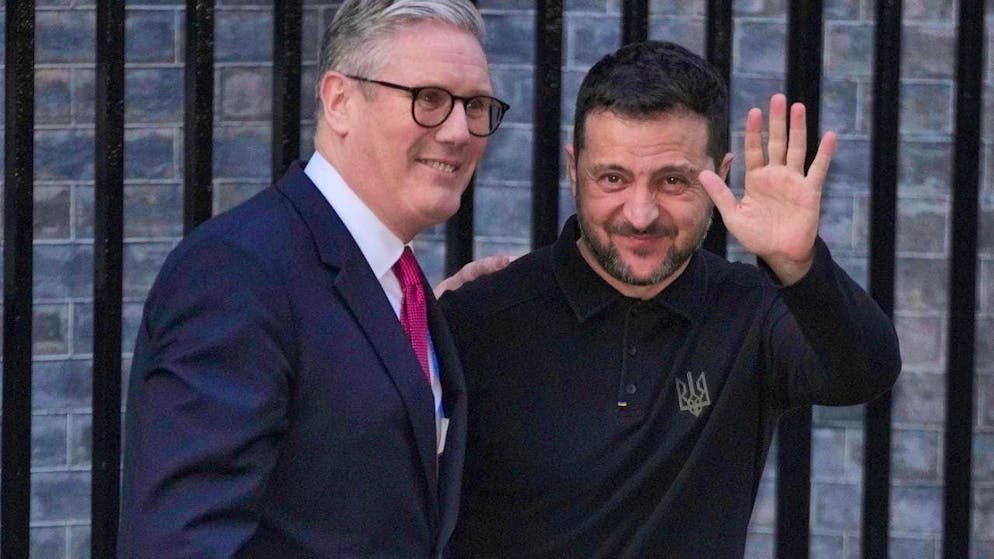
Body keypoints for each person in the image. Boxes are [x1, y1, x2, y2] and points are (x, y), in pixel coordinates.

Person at [438, 41, 901, 558]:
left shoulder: (752, 312)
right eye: (613, 178)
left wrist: (799, 265)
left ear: (720, 178)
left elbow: (866, 371)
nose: (640, 213)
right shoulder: (480, 318)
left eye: (673, 181)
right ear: (574, 171)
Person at [118, 1, 509, 557]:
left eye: (475, 105)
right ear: (340, 101)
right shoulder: (238, 272)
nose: (457, 131)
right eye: (429, 100)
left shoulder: (400, 283)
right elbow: (183, 543)